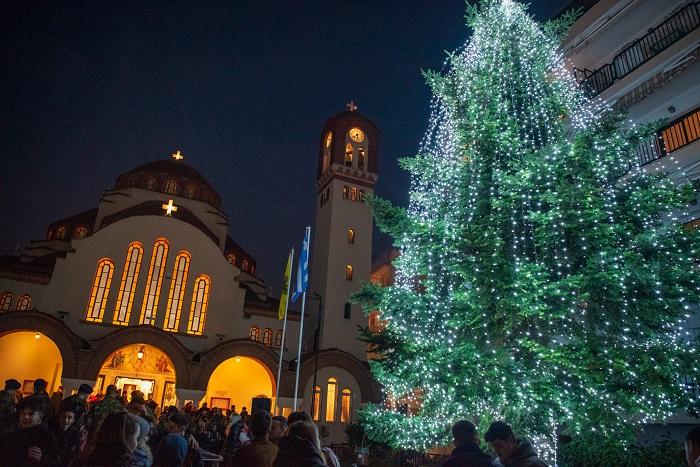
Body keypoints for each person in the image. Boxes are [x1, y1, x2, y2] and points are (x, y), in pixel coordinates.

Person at [0, 396, 61, 466]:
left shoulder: (46, 436)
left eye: (31, 414)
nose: (26, 417)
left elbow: (56, 462)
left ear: (40, 416)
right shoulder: (11, 436)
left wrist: (42, 458)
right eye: (23, 413)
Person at [74, 411, 141, 466]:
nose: (136, 443)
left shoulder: (85, 460)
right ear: (126, 438)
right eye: (136, 438)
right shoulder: (125, 463)